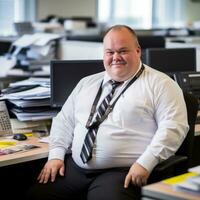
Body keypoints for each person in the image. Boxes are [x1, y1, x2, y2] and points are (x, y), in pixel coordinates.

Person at [27, 25, 189, 200]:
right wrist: (56, 156)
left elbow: (173, 127)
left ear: (137, 50)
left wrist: (145, 163)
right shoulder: (86, 83)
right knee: (34, 195)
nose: (116, 57)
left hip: (124, 171)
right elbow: (64, 121)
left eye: (123, 51)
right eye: (109, 52)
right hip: (76, 168)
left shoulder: (161, 84)